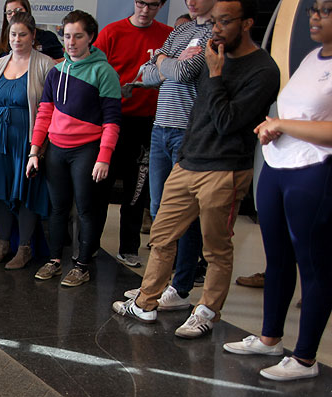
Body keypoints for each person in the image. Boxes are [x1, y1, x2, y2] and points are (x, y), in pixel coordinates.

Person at [113, 0, 280, 340]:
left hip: (225, 169)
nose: (215, 30)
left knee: (215, 247)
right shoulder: (208, 50)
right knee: (162, 235)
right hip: (188, 160)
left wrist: (213, 72)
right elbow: (161, 77)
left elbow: (227, 122)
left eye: (225, 22)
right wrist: (170, 63)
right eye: (214, 23)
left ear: (247, 23)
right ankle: (146, 302)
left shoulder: (262, 69)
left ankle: (206, 311)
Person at [223, 0, 332, 380]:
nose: (314, 17)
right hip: (278, 168)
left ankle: (305, 358)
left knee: (315, 266)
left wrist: (282, 124)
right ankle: (270, 338)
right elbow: (294, 114)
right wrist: (277, 124)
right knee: (278, 259)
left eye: (325, 11)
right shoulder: (311, 59)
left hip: (313, 173)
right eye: (313, 10)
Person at [27, 10, 121, 287]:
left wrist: (104, 157)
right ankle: (55, 260)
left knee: (85, 210)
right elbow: (44, 114)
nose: (71, 42)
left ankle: (82, 265)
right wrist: (34, 151)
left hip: (87, 149)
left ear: (90, 37)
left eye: (78, 36)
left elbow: (112, 121)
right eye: (67, 36)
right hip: (56, 149)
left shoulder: (104, 72)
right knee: (57, 208)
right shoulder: (56, 72)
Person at [136, 0, 215, 310]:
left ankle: (180, 287)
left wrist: (161, 59)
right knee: (159, 210)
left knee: (186, 213)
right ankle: (157, 282)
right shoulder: (181, 30)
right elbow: (147, 76)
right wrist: (166, 60)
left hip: (188, 131)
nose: (191, 1)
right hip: (161, 128)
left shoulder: (213, 32)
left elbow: (183, 72)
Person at [0, 12, 55, 270]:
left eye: (23, 34)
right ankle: (3, 243)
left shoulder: (46, 65)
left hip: (27, 142)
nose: (17, 39)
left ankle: (24, 248)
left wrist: (38, 148)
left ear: (33, 36)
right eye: (13, 34)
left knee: (24, 193)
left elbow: (50, 107)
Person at [96, 0, 172, 269]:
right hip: (113, 120)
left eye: (152, 5)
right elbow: (95, 70)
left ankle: (128, 247)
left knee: (136, 189)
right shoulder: (112, 32)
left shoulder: (168, 35)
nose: (145, 9)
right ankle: (91, 243)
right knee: (101, 185)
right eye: (141, 2)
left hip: (148, 123)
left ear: (160, 5)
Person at [0, 0, 63, 64]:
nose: (14, 15)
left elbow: (62, 64)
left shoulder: (48, 37)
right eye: (9, 12)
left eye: (18, 10)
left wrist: (44, 63)